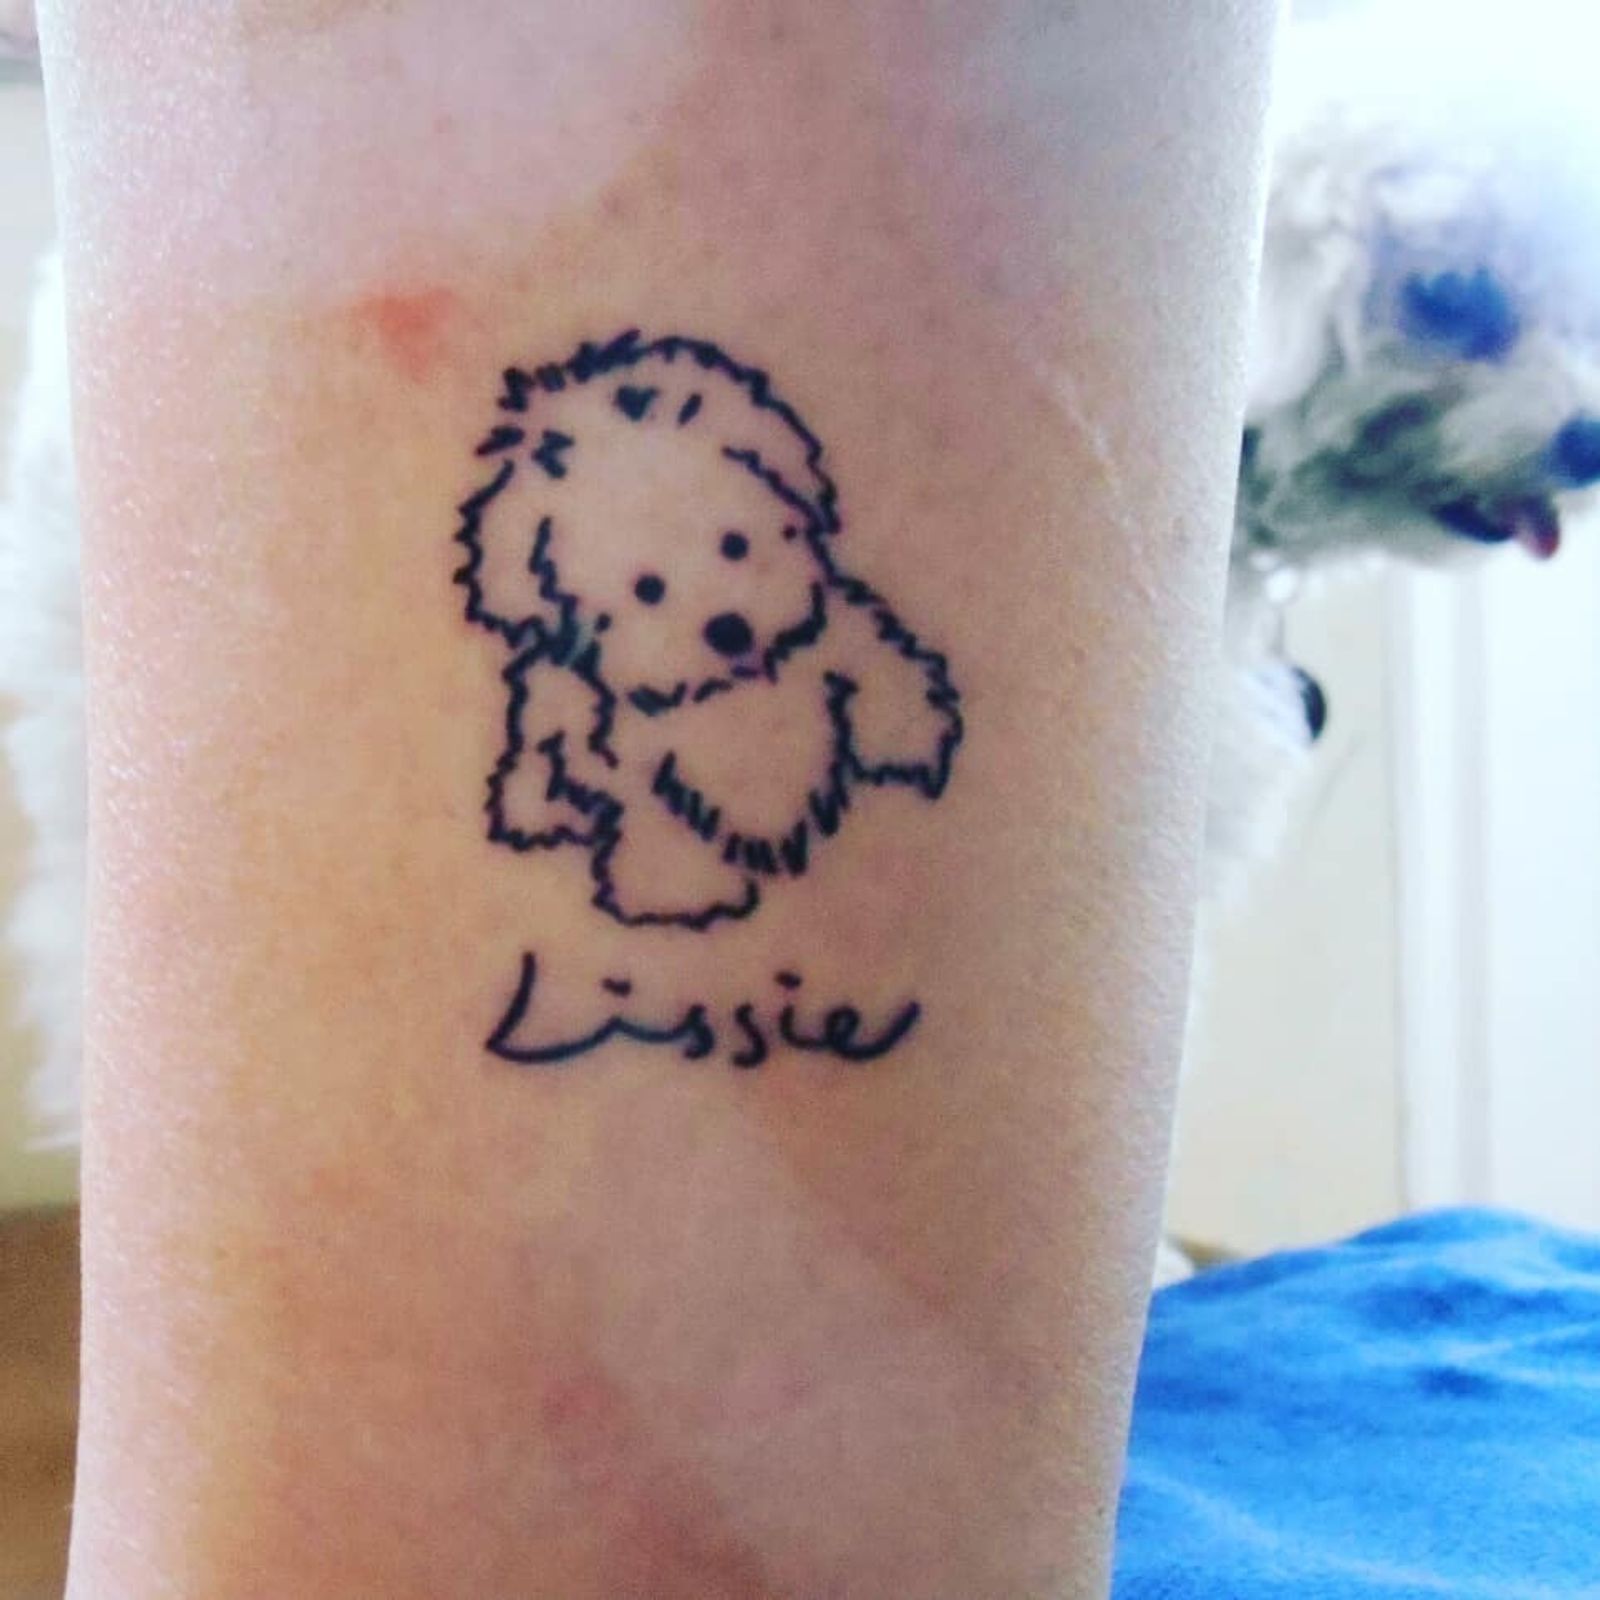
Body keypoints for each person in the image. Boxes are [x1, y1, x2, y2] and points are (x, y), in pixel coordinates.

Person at [39, 3, 1278, 1594]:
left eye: (745, 551)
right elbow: (545, 746)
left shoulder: (830, 630)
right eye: (649, 589)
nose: (723, 612)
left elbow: (889, 684)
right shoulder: (576, 675)